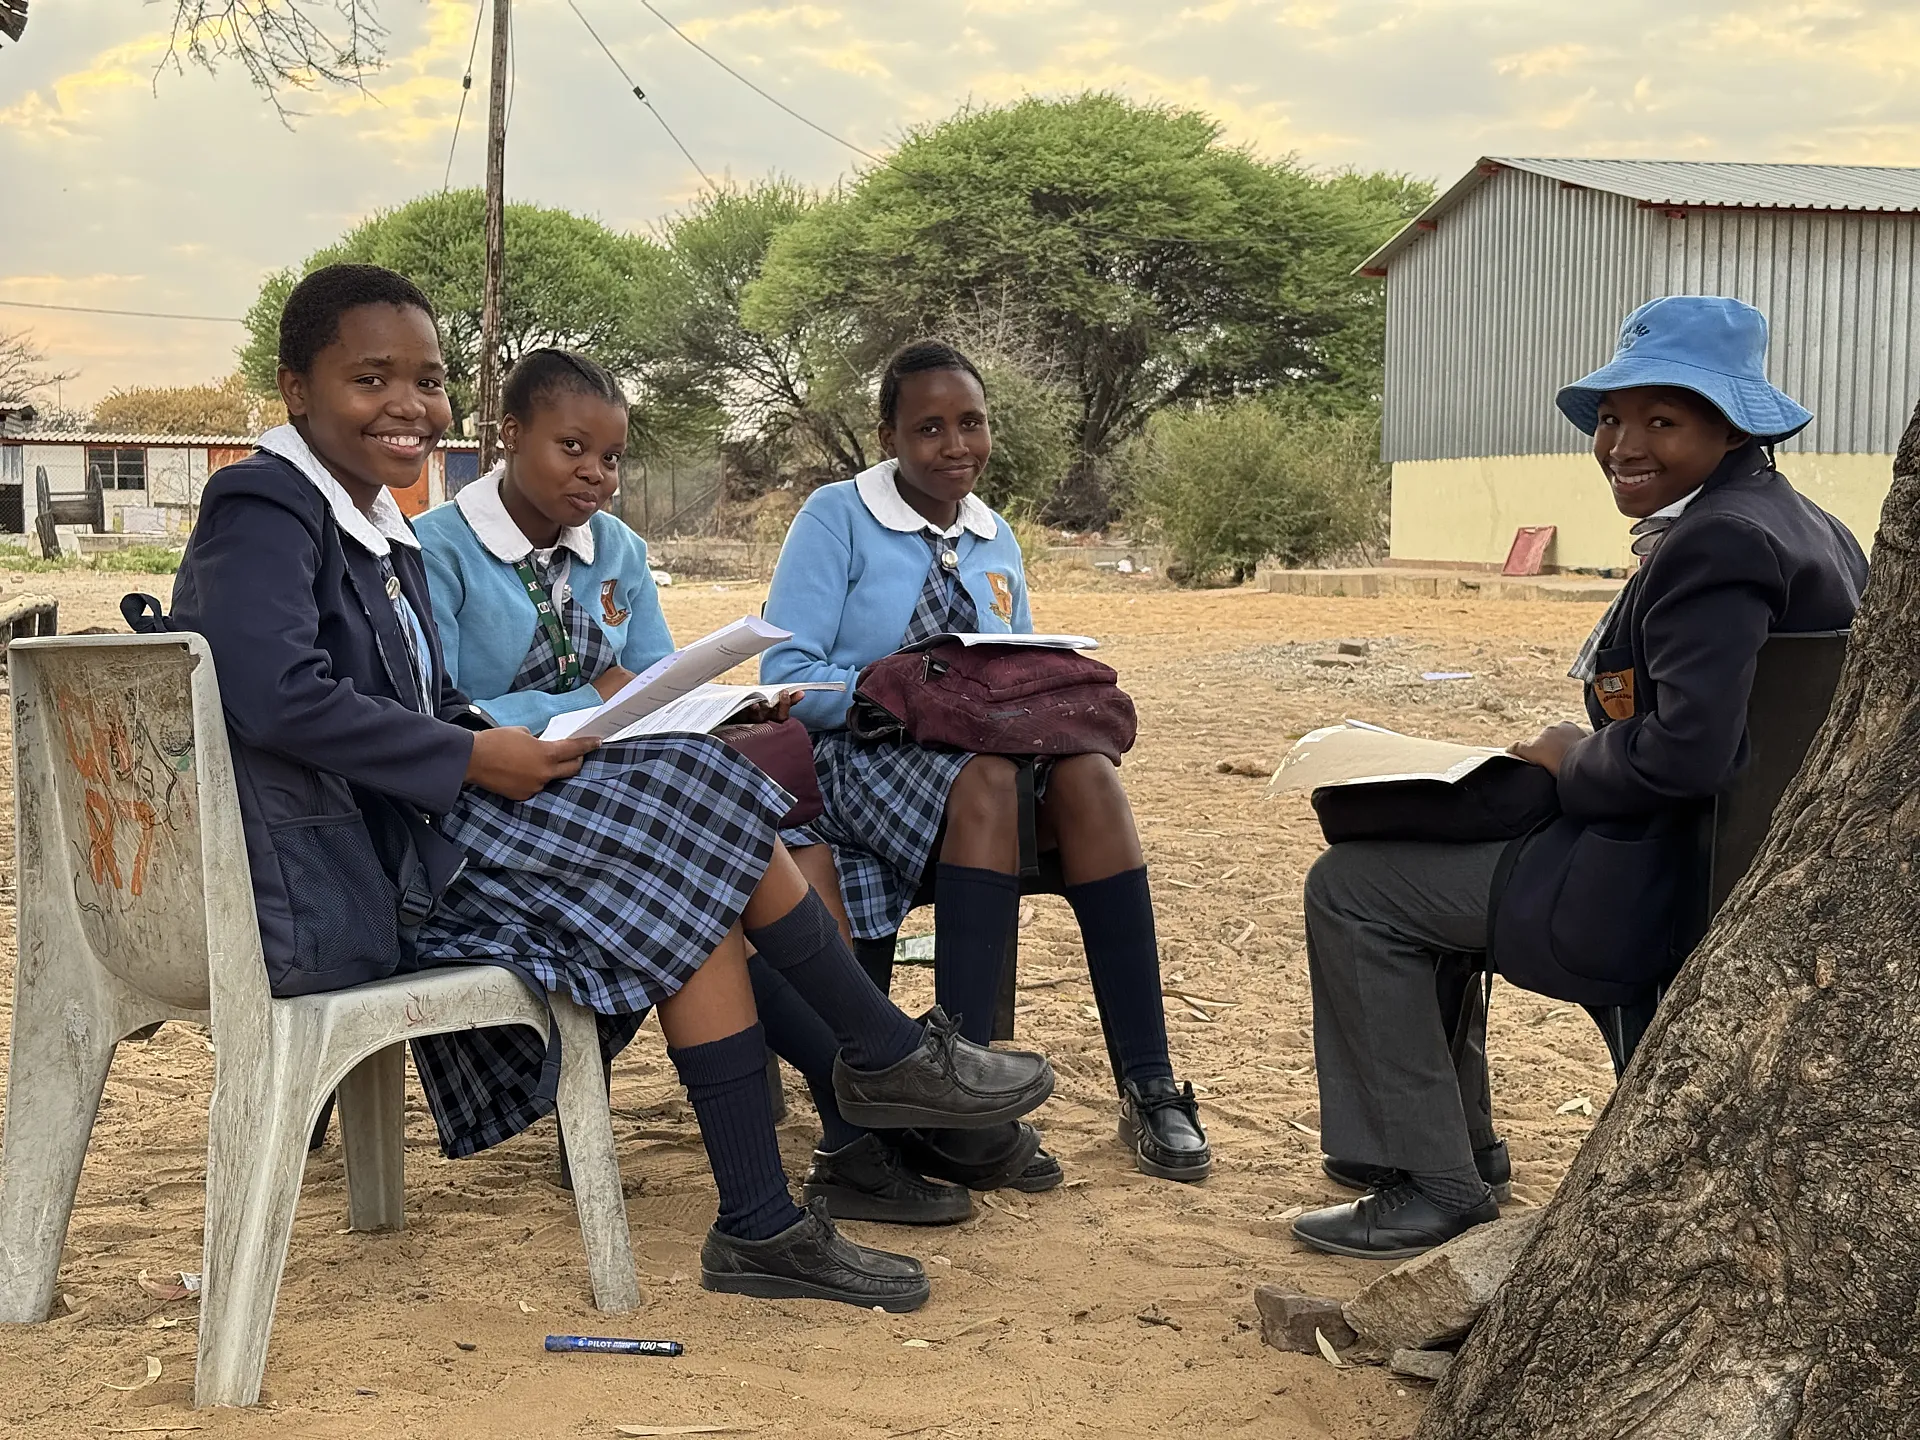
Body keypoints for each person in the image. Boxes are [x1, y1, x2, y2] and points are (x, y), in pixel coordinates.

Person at [153, 265, 1056, 1312]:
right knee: (691, 816)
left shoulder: (370, 520)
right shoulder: (267, 499)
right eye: (370, 379)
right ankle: (882, 1057)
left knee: (691, 860)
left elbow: (419, 697)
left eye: (429, 380)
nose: (408, 406)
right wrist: (474, 757)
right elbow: (273, 696)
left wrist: (485, 741)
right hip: (350, 879)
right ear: (295, 389)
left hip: (400, 843)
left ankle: (766, 1220)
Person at [1291, 295, 1869, 1260]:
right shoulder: (1812, 527)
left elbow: (1690, 753)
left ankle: (1435, 1179)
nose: (1622, 444)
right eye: (1611, 418)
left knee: (1356, 888)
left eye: (1662, 420)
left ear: (1731, 428)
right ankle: (1449, 1146)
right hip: (1738, 857)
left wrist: (1571, 755)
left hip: (1663, 871)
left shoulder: (1717, 543)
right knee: (1406, 856)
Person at [414, 346, 971, 1228]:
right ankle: (870, 1104)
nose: (596, 475)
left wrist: (730, 702)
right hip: (502, 800)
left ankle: (852, 1126)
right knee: (719, 870)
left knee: (758, 844)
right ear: (509, 436)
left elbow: (653, 684)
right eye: (572, 449)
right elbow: (434, 708)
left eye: (611, 458)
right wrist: (577, 699)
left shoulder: (618, 551)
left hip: (623, 785)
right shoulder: (436, 551)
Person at [760, 338, 1212, 1187]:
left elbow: (1016, 673)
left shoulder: (993, 534)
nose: (955, 445)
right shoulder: (836, 517)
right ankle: (964, 1097)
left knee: (1089, 776)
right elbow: (784, 680)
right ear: (888, 432)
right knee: (989, 777)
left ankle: (1149, 1082)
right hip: (858, 756)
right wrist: (889, 696)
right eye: (929, 428)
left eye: (971, 423)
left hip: (978, 762)